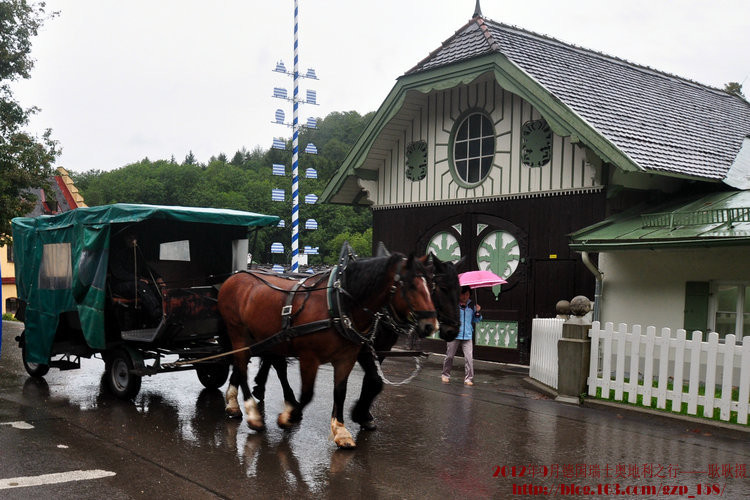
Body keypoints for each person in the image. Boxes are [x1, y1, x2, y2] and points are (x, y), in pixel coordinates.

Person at [442, 285, 482, 386]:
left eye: (467, 294)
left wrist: (478, 313)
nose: (465, 296)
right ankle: (445, 374)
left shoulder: (471, 307)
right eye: (462, 294)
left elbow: (476, 320)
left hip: (467, 335)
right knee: (450, 356)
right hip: (454, 335)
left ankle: (468, 378)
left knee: (469, 358)